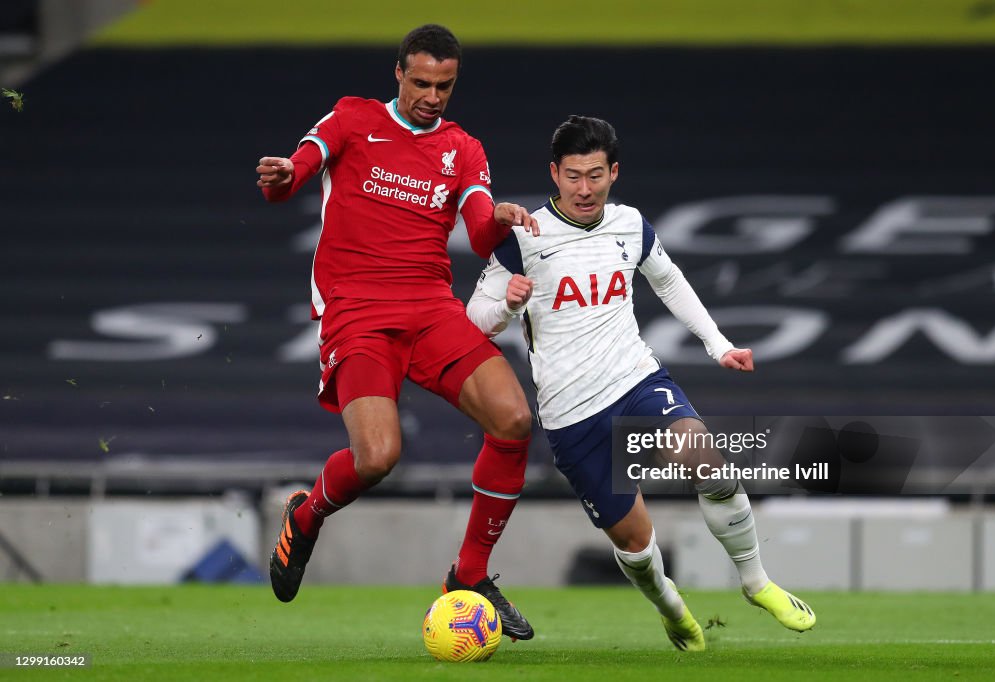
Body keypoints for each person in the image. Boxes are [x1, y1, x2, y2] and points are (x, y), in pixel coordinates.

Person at [466, 115, 815, 651]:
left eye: (597, 175)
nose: (585, 189)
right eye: (574, 176)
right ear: (554, 174)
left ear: (615, 172)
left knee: (707, 461)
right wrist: (507, 306)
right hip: (571, 414)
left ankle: (756, 581)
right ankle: (671, 609)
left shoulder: (630, 224)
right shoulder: (523, 239)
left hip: (636, 380)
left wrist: (718, 344)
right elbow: (473, 319)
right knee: (636, 544)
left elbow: (669, 280)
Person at [255, 24, 538, 640]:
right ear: (398, 74)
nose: (433, 96)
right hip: (356, 310)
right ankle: (308, 515)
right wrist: (285, 174)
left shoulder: (462, 147)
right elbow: (302, 165)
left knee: (515, 420)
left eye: (445, 85)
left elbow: (479, 227)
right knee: (378, 458)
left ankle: (469, 574)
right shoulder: (353, 119)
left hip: (431, 308)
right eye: (422, 82)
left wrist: (503, 217)